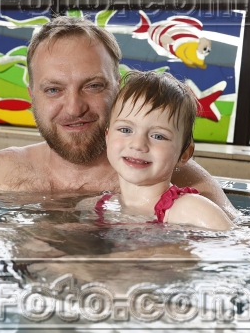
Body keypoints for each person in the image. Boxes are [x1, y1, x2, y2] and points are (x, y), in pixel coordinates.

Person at [0, 16, 238, 218]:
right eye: (53, 90)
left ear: (118, 88)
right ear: (32, 96)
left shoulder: (183, 180)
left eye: (93, 86)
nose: (74, 108)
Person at [91, 70, 233, 230]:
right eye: (125, 130)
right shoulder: (100, 207)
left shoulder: (192, 211)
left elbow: (235, 243)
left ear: (184, 154)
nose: (138, 144)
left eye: (158, 136)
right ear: (107, 136)